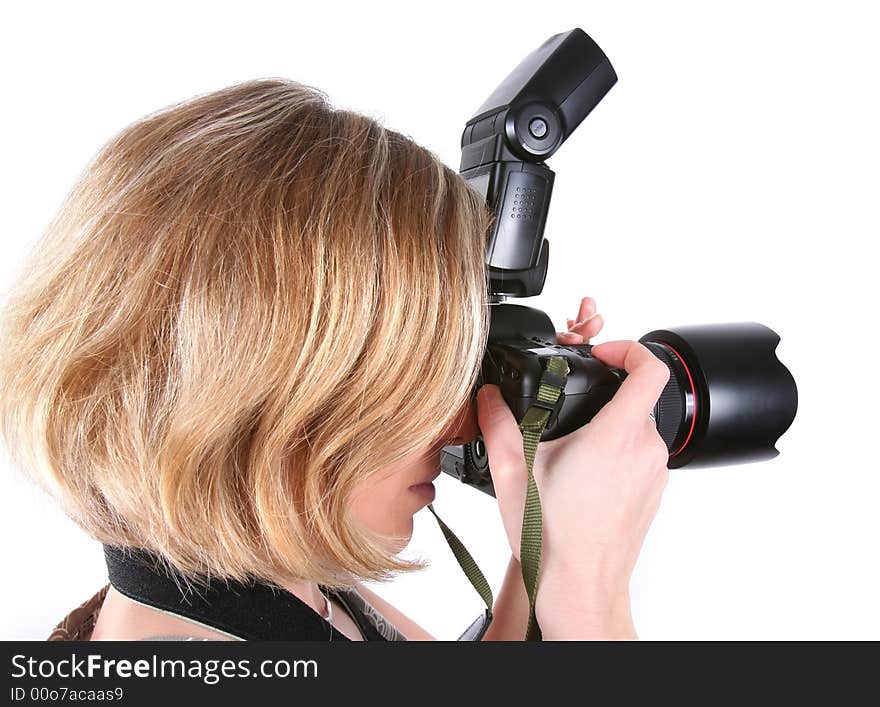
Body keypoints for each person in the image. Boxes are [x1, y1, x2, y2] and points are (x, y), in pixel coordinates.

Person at [0, 79, 670, 641]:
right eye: (420, 380)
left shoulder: (257, 587)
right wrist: (591, 596)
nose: (460, 425)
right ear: (272, 392)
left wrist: (544, 548)